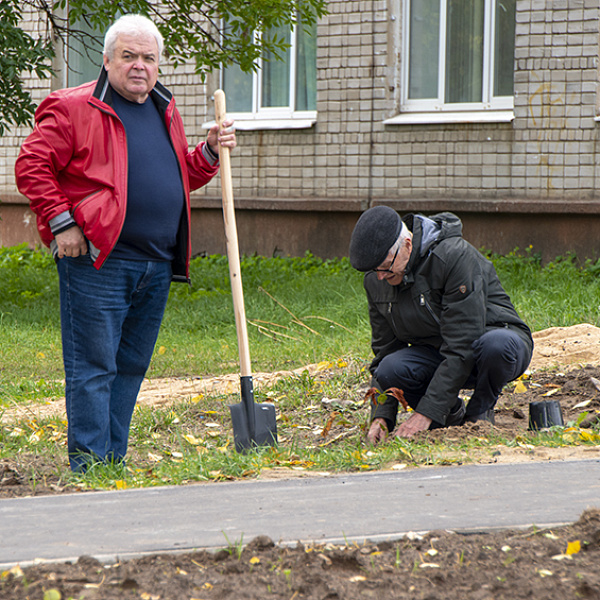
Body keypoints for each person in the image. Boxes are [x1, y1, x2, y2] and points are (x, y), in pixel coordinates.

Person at [15, 14, 237, 471]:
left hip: (155, 264)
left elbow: (177, 176)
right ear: (107, 59)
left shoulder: (163, 107)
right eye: (129, 56)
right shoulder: (74, 106)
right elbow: (31, 166)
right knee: (94, 366)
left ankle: (111, 461)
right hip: (99, 259)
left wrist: (210, 151)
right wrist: (62, 223)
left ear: (159, 64)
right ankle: (90, 465)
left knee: (131, 366)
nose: (139, 66)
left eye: (148, 58)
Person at [349, 206, 533, 443]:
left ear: (407, 244)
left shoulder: (453, 257)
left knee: (497, 345)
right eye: (374, 269)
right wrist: (381, 416)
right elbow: (385, 353)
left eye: (385, 266)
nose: (380, 276)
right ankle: (450, 415)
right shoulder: (377, 280)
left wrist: (425, 413)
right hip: (438, 355)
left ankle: (479, 413)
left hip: (486, 347)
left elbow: (463, 344)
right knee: (389, 367)